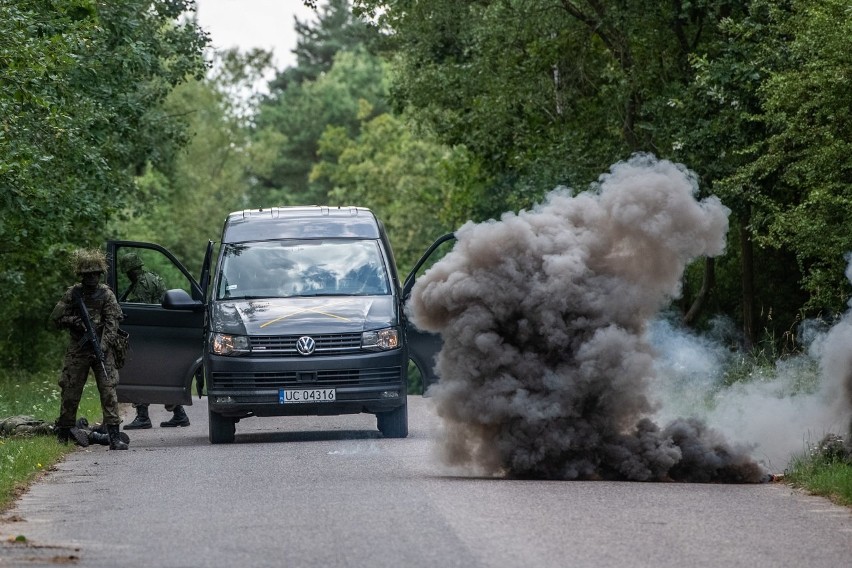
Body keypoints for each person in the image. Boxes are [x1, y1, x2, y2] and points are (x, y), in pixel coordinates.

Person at [50, 248, 128, 450]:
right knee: (70, 389)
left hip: (102, 349)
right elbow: (55, 319)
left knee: (108, 391)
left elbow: (113, 324)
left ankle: (114, 436)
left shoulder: (106, 295)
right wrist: (74, 321)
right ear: (82, 276)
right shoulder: (73, 293)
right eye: (88, 274)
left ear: (100, 274)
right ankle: (64, 433)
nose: (92, 278)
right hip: (78, 349)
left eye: (95, 274)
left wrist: (101, 346)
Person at [118, 252, 190, 429]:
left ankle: (143, 416)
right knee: (160, 372)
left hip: (148, 335)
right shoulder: (152, 278)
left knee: (140, 371)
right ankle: (179, 414)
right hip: (157, 331)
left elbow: (142, 309)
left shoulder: (142, 284)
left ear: (130, 269)